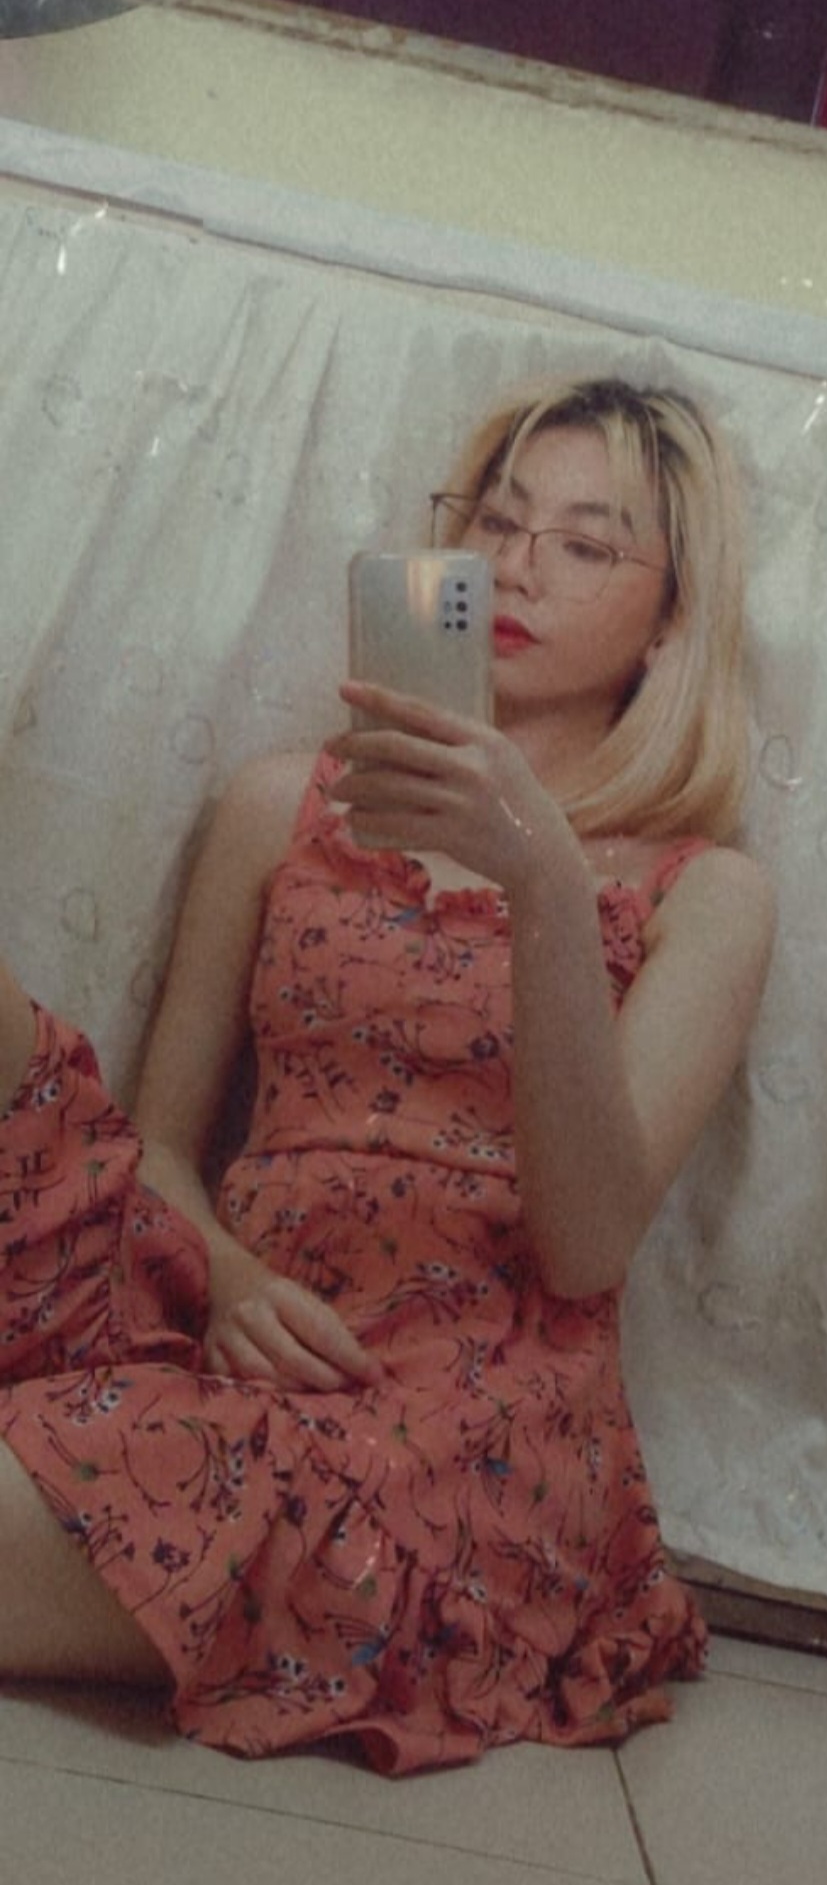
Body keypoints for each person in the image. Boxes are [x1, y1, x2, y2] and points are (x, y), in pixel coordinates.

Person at [0, 377, 774, 1773]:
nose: (518, 566)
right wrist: (230, 1278)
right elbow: (155, 1149)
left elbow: (588, 1243)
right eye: (499, 519)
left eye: (586, 544)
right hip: (227, 1311)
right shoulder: (278, 804)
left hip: (447, 1417)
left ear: (671, 619)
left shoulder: (703, 896)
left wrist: (541, 879)